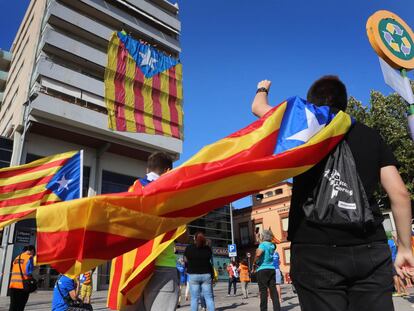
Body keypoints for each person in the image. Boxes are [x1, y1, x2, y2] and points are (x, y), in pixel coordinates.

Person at [252, 76, 414, 311]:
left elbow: (258, 108)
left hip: (314, 249)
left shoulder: (303, 126)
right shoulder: (370, 136)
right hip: (368, 248)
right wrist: (405, 248)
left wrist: (262, 88)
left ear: (311, 106)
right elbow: (399, 194)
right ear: (345, 104)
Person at [117, 152, 187, 311]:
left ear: (147, 168)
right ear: (168, 170)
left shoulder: (131, 190)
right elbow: (183, 236)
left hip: (133, 268)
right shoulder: (169, 194)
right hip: (162, 266)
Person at [184, 232, 215, 311]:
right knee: (209, 298)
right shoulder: (207, 249)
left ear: (194, 238)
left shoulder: (189, 248)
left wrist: (188, 266)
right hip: (206, 275)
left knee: (194, 299)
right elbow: (210, 261)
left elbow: (185, 260)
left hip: (193, 275)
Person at [252, 230, 281, 311]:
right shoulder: (272, 245)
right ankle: (277, 309)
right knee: (273, 291)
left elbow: (258, 254)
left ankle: (263, 309)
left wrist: (254, 263)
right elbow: (267, 242)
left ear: (263, 237)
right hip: (272, 269)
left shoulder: (262, 245)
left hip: (262, 269)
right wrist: (258, 237)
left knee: (263, 291)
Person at [9, 245, 35, 311]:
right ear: (32, 250)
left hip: (13, 285)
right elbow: (28, 272)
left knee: (13, 306)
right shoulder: (29, 258)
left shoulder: (17, 257)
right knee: (20, 306)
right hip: (23, 286)